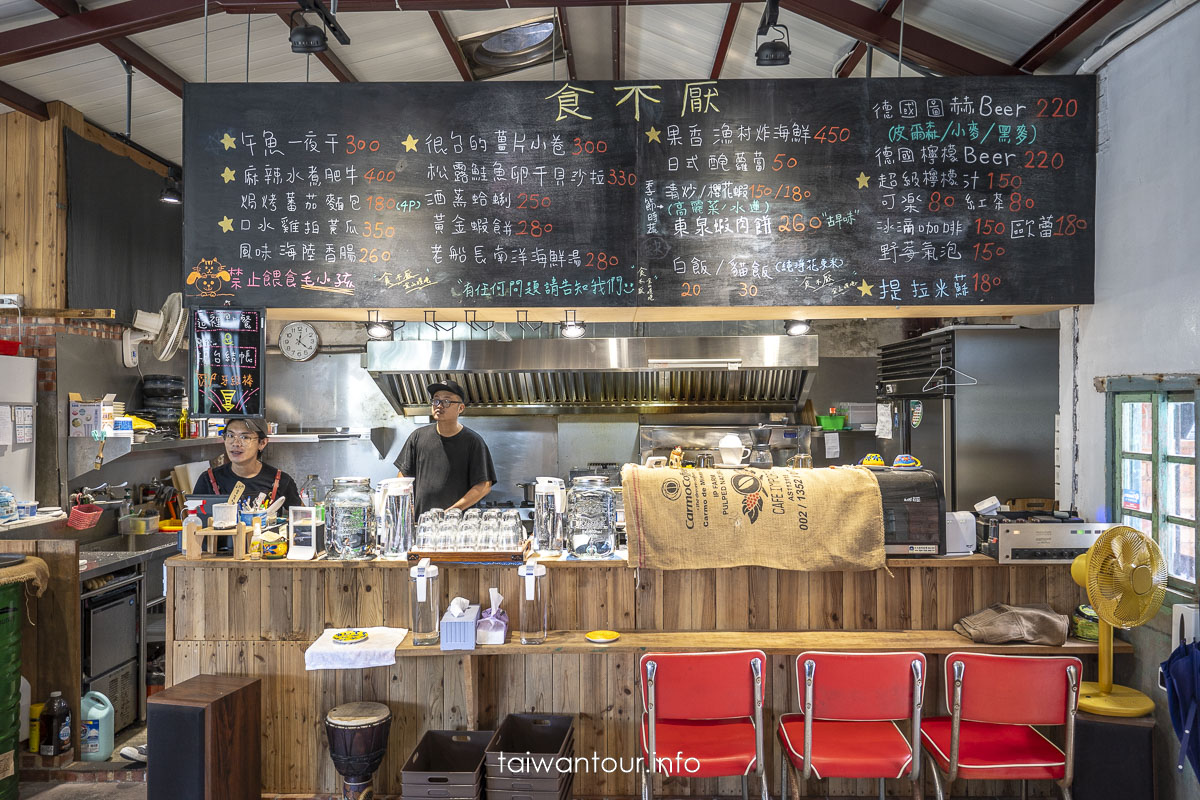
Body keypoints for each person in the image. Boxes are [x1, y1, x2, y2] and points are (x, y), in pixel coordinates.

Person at [396, 380, 497, 518]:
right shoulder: (418, 437)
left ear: (460, 408)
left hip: (457, 527)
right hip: (421, 524)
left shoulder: (473, 442)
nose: (439, 406)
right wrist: (406, 508)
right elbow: (403, 476)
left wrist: (450, 512)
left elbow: (484, 486)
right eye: (436, 401)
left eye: (447, 401)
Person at [191, 418, 303, 511]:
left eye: (244, 437)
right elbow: (192, 526)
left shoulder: (281, 480)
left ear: (262, 443)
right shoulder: (208, 480)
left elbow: (303, 519)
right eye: (230, 435)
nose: (235, 443)